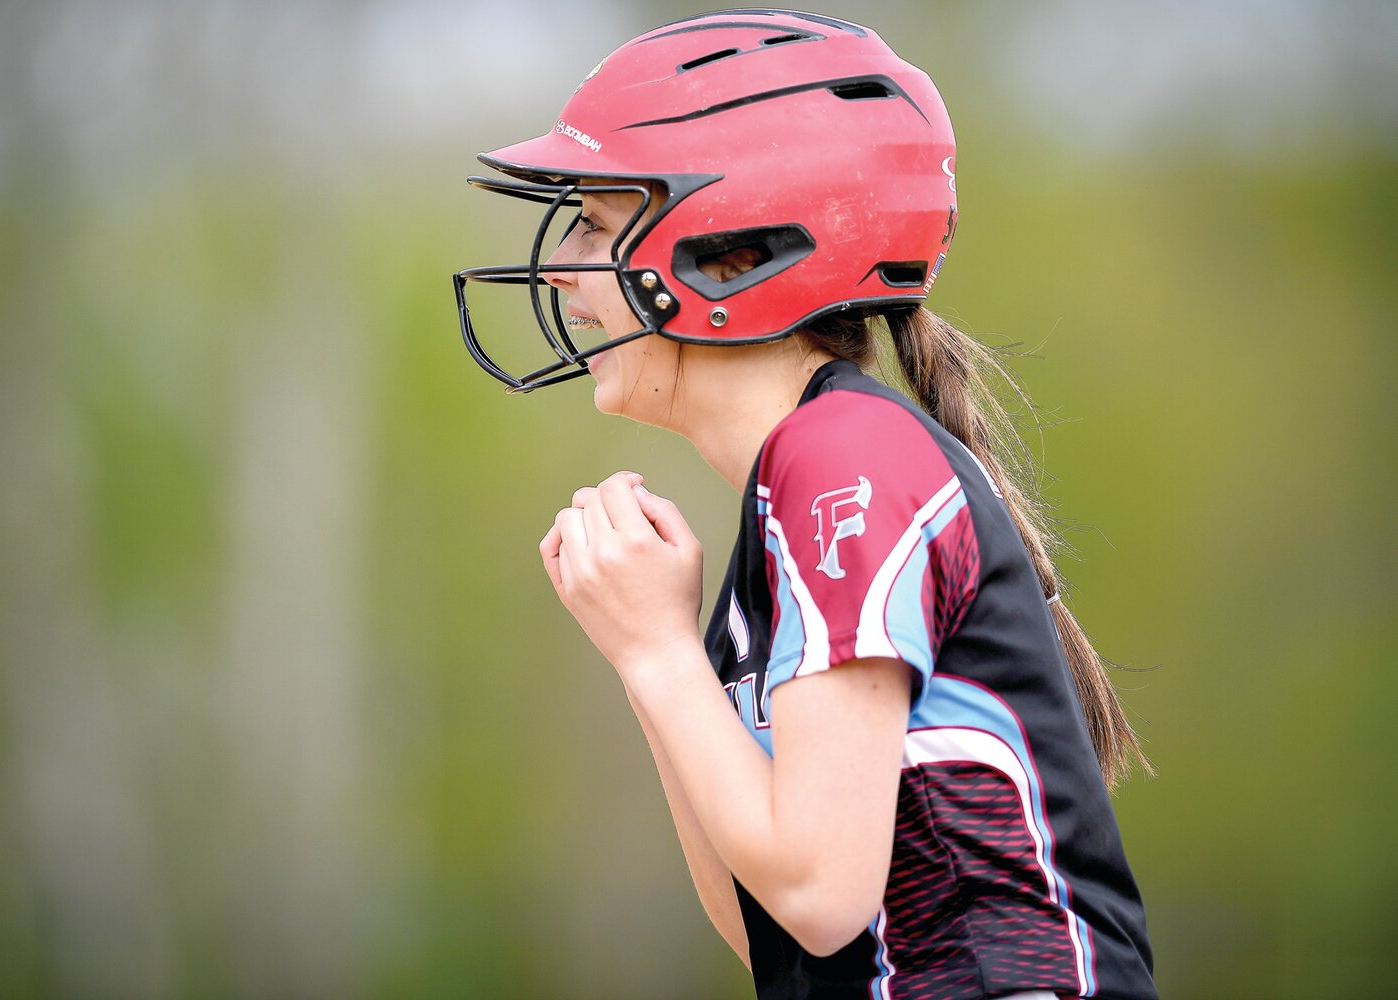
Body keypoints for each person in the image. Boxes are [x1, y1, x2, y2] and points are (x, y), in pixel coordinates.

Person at [453, 10, 1157, 999]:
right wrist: (644, 655)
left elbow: (821, 888)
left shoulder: (842, 460)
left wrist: (657, 650)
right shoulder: (795, 492)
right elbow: (773, 929)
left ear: (734, 255)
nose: (567, 276)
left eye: (597, 227)